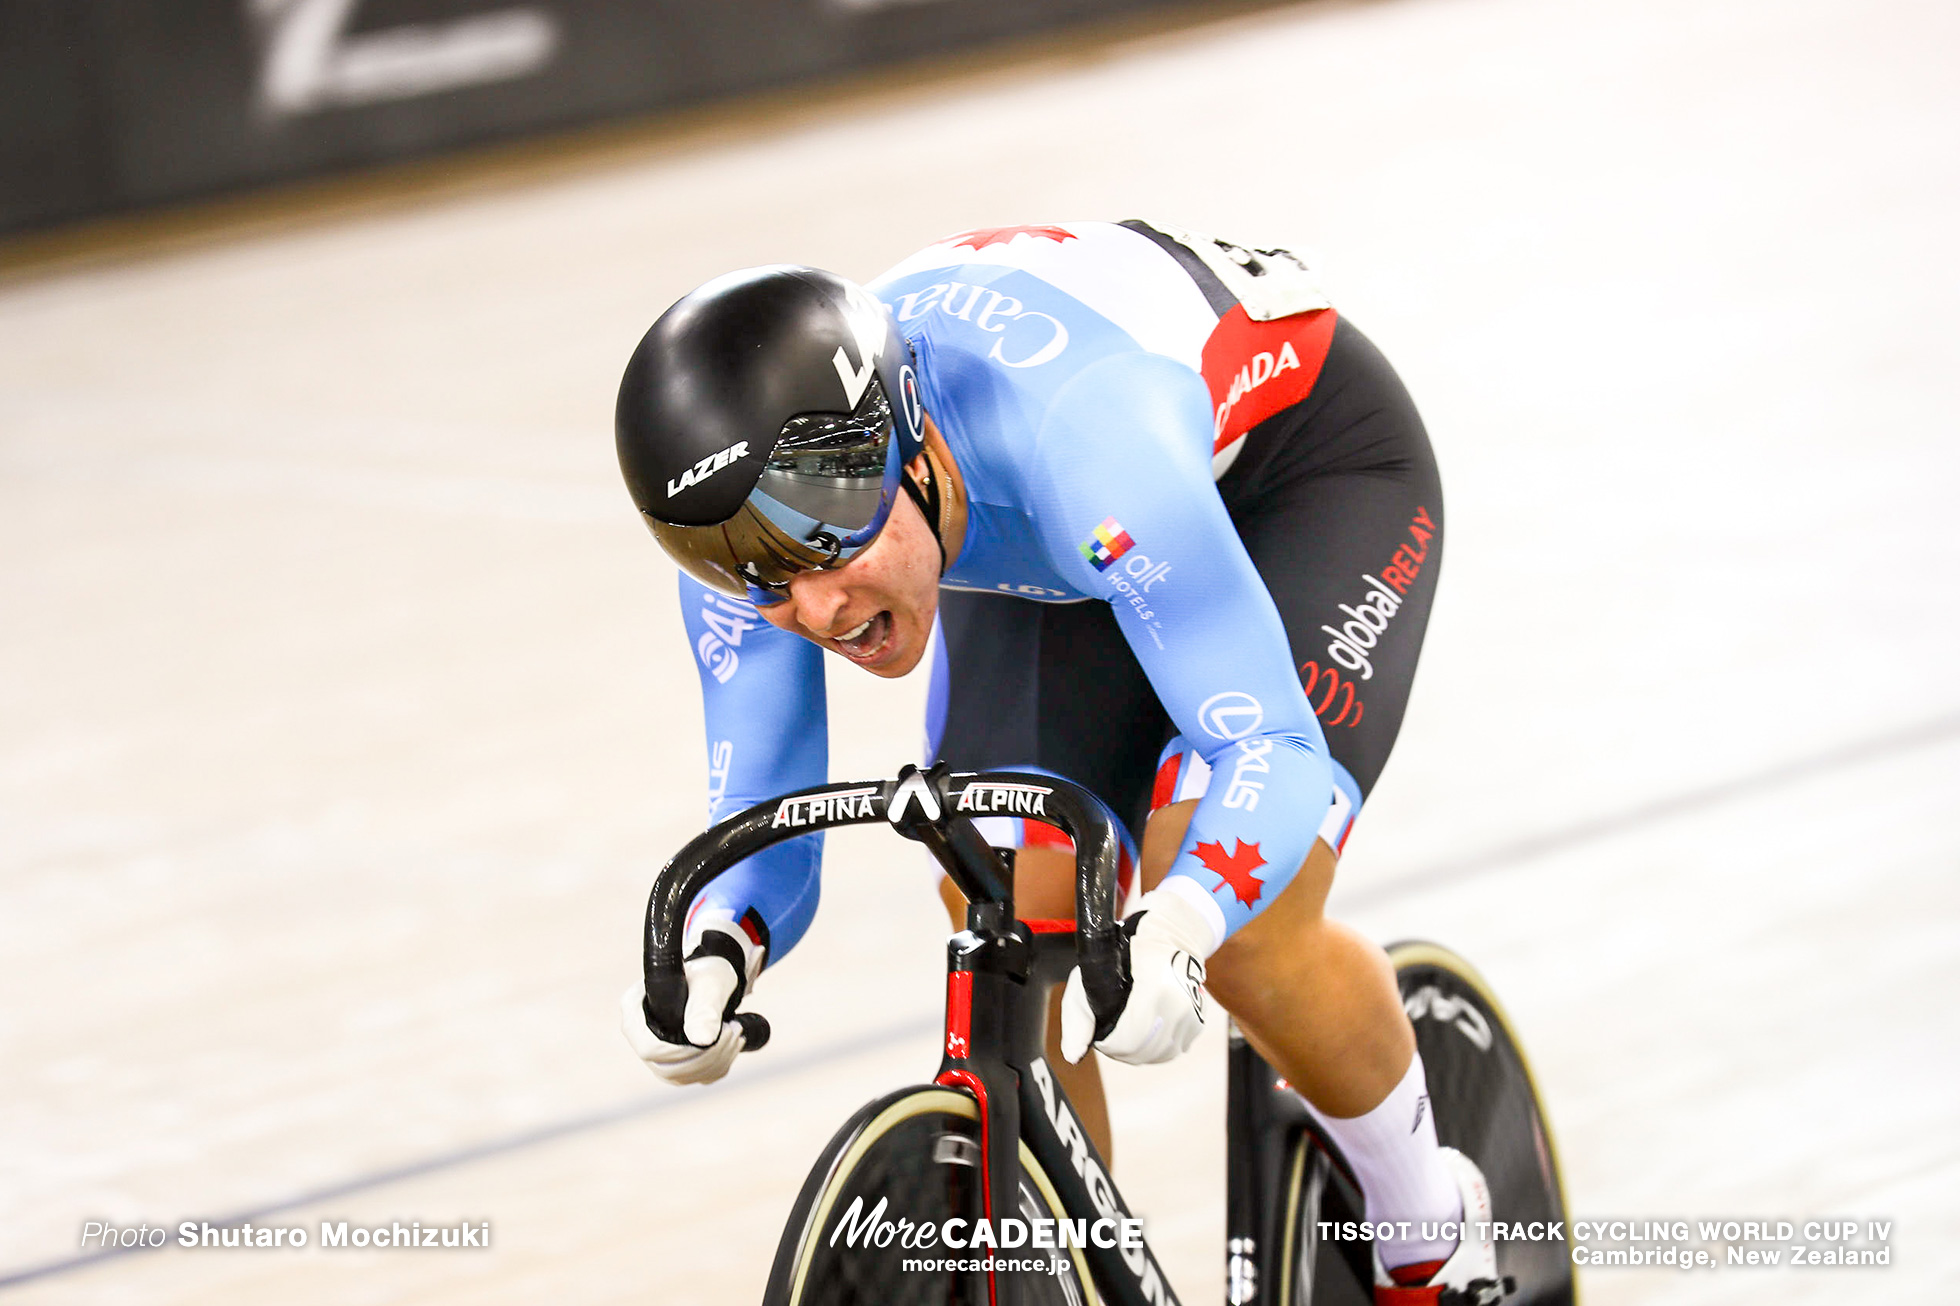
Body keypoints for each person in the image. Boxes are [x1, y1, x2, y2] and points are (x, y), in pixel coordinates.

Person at [614, 221, 1494, 1304]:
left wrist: (1187, 918)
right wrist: (718, 950)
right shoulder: (741, 535)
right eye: (764, 575)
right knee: (1014, 911)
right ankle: (1066, 1272)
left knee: (1247, 929)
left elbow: (1269, 746)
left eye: (828, 543)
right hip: (1052, 538)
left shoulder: (1088, 439)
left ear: (910, 446)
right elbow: (762, 807)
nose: (817, 608)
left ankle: (1435, 1236)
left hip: (1292, 472)